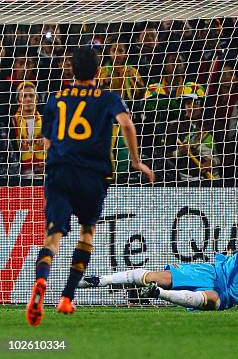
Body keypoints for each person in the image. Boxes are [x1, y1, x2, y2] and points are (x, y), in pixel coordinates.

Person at [26, 47, 155, 327]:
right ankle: (67, 297)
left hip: (60, 171)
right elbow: (127, 125)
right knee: (87, 232)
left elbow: (47, 143)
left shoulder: (56, 98)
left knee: (53, 236)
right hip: (93, 176)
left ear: (70, 70)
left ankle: (39, 285)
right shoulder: (108, 97)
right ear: (99, 71)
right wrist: (136, 162)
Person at [78, 227, 238, 311]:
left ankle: (156, 294)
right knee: (160, 276)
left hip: (226, 296)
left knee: (209, 300)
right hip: (214, 273)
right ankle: (95, 280)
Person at [12, 82, 46, 177]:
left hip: (43, 171)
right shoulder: (12, 122)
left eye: (31, 95)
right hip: (19, 174)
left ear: (37, 100)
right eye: (24, 96)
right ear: (18, 100)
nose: (28, 99)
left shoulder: (46, 122)